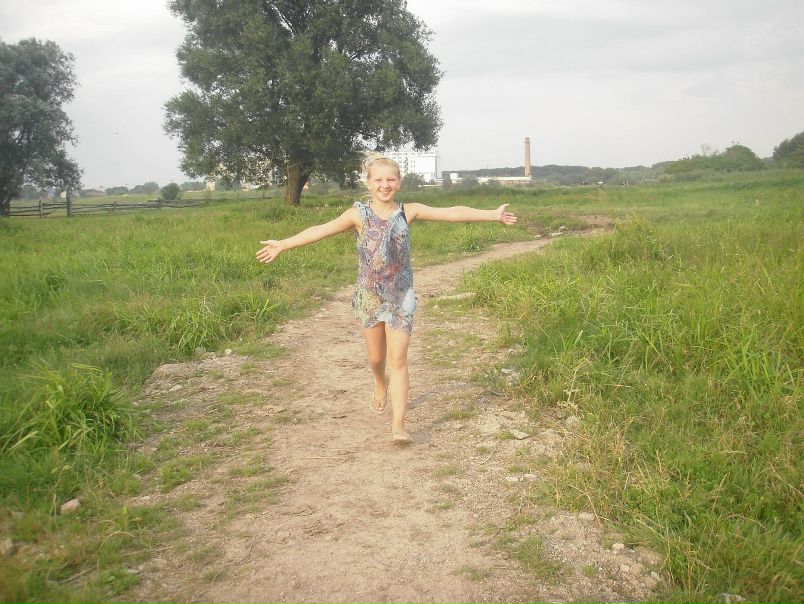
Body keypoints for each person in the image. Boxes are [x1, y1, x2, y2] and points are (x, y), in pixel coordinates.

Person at [256, 156, 517, 445]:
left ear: (399, 182)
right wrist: (284, 244)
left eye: (391, 179)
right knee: (376, 359)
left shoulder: (408, 211)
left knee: (398, 359)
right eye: (378, 180)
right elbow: (320, 230)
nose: (385, 185)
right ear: (368, 183)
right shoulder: (357, 215)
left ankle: (399, 425)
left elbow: (452, 212)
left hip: (401, 297)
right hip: (369, 296)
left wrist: (492, 214)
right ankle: (380, 383)